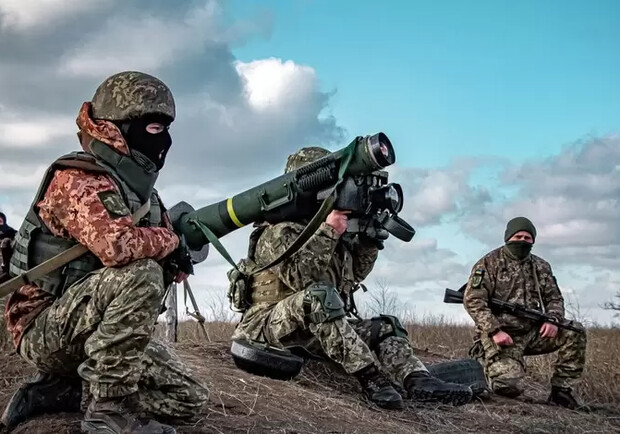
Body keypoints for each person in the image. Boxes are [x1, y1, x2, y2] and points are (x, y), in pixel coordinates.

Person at [1, 71, 208, 433]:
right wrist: (170, 243)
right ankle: (109, 412)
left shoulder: (143, 194)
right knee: (140, 273)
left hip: (92, 331)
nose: (163, 140)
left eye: (166, 129)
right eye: (154, 128)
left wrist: (174, 260)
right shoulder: (77, 179)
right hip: (43, 328)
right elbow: (118, 247)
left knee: (189, 400)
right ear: (117, 129)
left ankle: (61, 390)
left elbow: (155, 242)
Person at [231, 147, 473, 410]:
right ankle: (371, 378)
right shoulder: (278, 232)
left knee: (387, 326)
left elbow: (352, 277)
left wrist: (369, 242)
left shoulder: (333, 228)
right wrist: (329, 231)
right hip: (267, 326)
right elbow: (302, 279)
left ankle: (418, 380)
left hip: (313, 332)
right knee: (319, 296)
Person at [464, 217, 586, 409]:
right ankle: (486, 364)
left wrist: (553, 320)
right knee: (508, 387)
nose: (522, 241)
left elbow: (554, 299)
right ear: (508, 238)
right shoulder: (488, 263)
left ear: (533, 240)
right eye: (518, 236)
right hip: (502, 337)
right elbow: (473, 300)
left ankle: (562, 391)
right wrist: (495, 330)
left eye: (527, 238)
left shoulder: (541, 266)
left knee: (575, 331)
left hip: (533, 332)